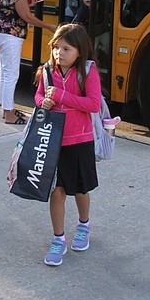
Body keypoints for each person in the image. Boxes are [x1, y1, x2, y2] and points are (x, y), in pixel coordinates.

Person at [35, 24, 101, 266]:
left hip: (80, 140)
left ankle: (84, 225)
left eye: (66, 48)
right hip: (54, 139)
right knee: (57, 190)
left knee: (81, 189)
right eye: (55, 47)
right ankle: (58, 239)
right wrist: (44, 102)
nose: (58, 53)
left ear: (79, 51)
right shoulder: (47, 70)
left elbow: (93, 104)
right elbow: (39, 95)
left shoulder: (88, 70)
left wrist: (62, 97)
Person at [0, 0, 57, 125]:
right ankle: (9, 114)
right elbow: (26, 17)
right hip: (10, 34)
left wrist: (28, 4)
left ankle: (5, 107)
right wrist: (49, 26)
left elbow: (11, 7)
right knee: (11, 74)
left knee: (5, 71)